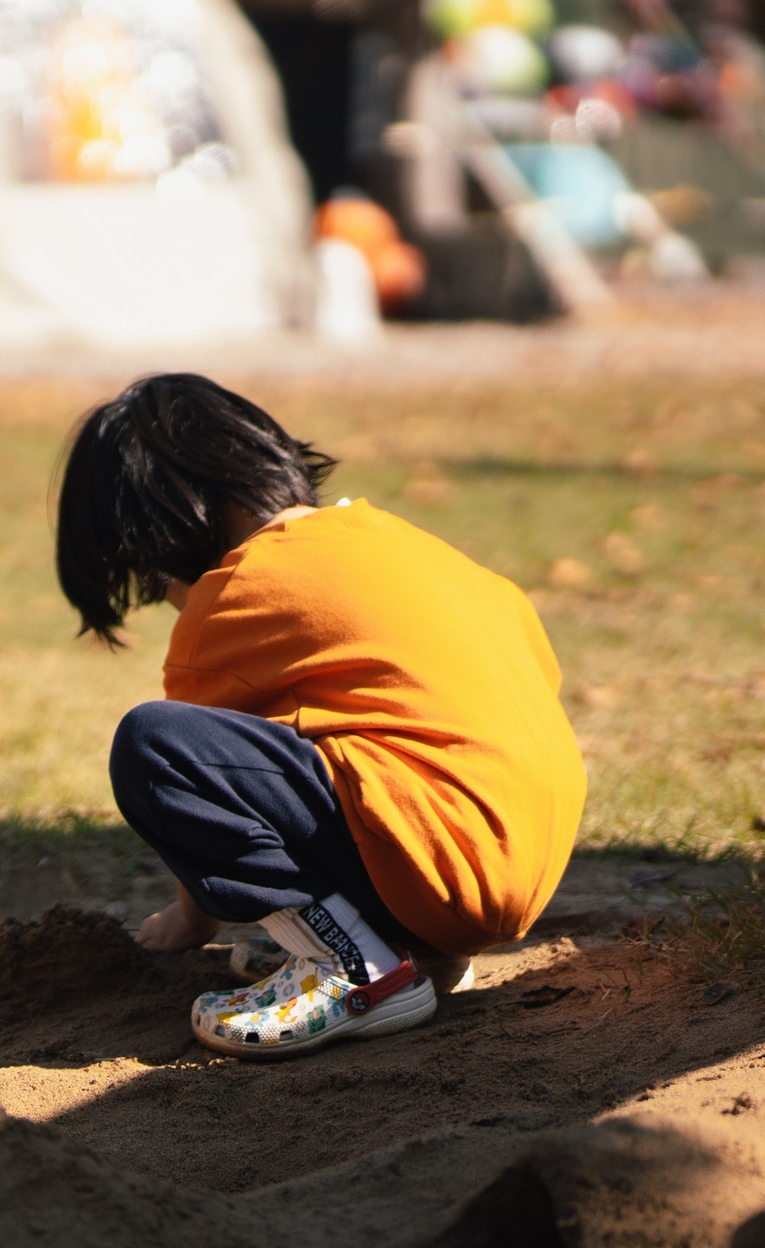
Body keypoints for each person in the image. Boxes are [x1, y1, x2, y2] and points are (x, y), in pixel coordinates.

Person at [57, 375, 584, 1060]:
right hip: (514, 864)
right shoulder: (420, 551)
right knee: (342, 748)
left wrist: (191, 922)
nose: (168, 599)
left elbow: (200, 778)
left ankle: (359, 969)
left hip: (438, 864)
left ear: (168, 525)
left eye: (153, 578)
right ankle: (411, 946)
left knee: (156, 745)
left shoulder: (237, 591)